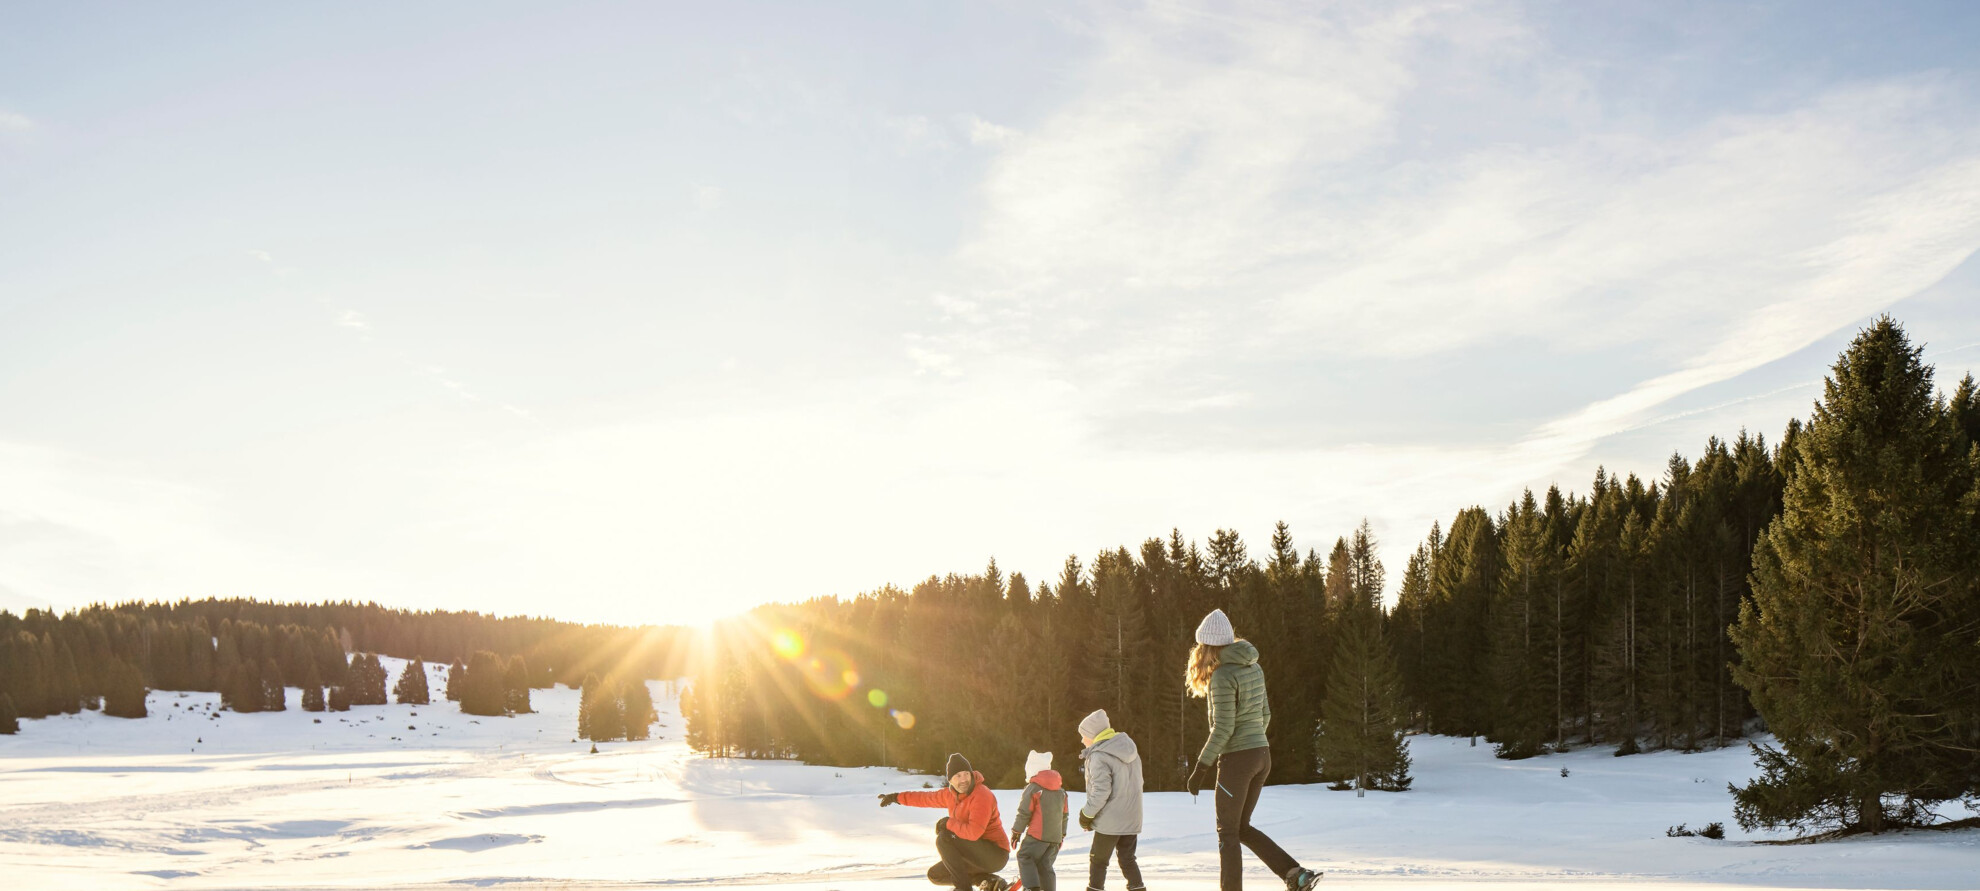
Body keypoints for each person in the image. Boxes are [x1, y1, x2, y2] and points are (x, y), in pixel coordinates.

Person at [1184, 609, 1322, 891]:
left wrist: (1201, 767)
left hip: (1237, 761)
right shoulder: (1253, 667)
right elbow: (1265, 714)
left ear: (1208, 646)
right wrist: (1254, 739)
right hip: (1261, 755)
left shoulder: (1222, 676)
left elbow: (1222, 728)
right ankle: (1296, 875)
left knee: (1227, 834)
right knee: (1241, 828)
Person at [881, 752, 1013, 890]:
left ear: (971, 774)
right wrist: (896, 797)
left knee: (944, 838)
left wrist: (948, 823)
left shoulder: (981, 795)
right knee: (936, 875)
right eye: (958, 776)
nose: (963, 779)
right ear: (950, 780)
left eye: (966, 774)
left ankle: (963, 888)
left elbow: (974, 832)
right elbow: (925, 798)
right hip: (973, 853)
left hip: (995, 854)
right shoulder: (950, 795)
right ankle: (987, 880)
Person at [1076, 708, 1145, 891]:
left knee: (1098, 860)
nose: (1082, 740)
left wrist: (1086, 815)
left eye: (1084, 735)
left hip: (1110, 821)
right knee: (1127, 859)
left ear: (1093, 734)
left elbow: (1101, 791)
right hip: (1131, 817)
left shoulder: (1099, 755)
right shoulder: (1130, 749)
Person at [1009, 749, 1067, 891]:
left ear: (1032, 769)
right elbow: (1064, 815)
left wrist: (1016, 832)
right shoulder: (1061, 792)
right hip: (1054, 838)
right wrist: (1061, 835)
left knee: (1024, 856)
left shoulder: (1033, 788)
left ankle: (1032, 888)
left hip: (1037, 836)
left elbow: (1024, 812)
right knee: (1044, 865)